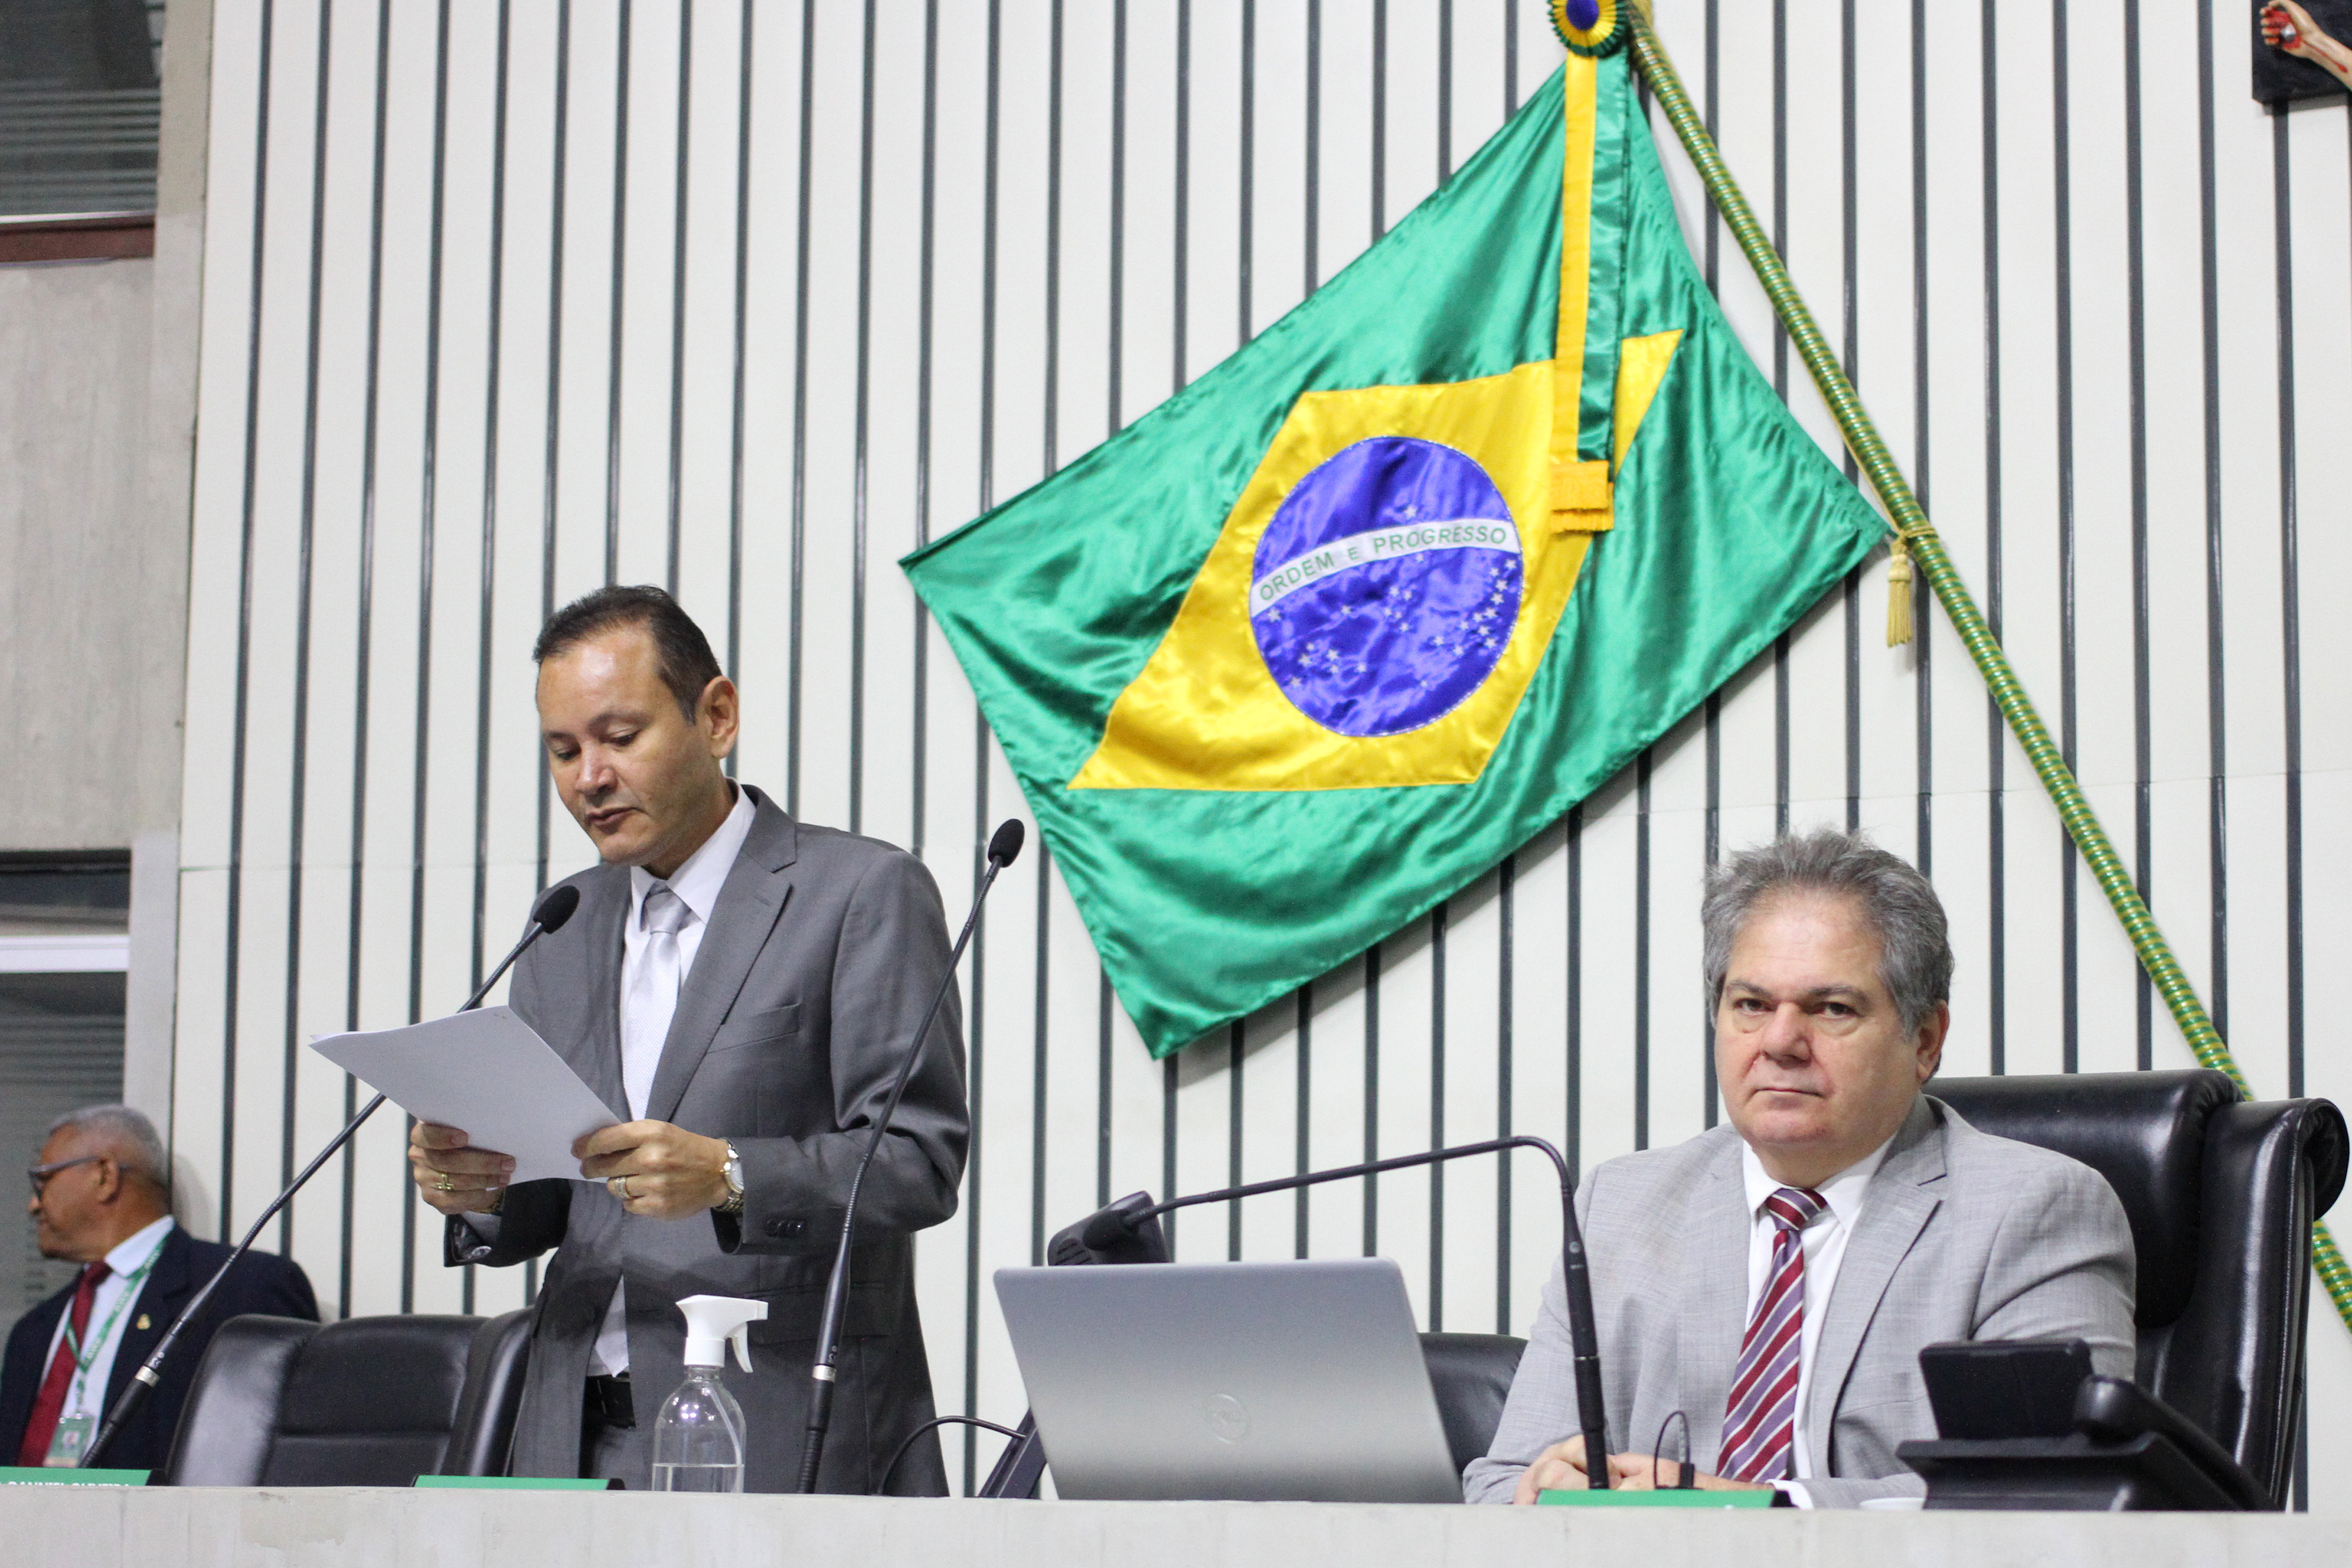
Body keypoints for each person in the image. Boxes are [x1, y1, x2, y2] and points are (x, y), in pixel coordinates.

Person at [406, 586, 970, 1494]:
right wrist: (480, 1188)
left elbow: (916, 1161)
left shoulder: (860, 892)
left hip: (776, 1419)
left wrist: (730, 1176)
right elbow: (561, 1198)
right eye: (564, 750)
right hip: (568, 1432)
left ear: (716, 717)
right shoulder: (564, 921)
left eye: (620, 737)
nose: (589, 777)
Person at [1465, 829, 2135, 1508]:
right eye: (1752, 1006)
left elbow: (2046, 1490)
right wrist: (1547, 1495)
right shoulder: (1622, 1206)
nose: (1781, 1042)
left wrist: (1754, 1510)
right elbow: (1501, 1480)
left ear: (1925, 1040)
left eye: (1832, 1009)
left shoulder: (2033, 1210)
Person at [1, 1106, 317, 1473]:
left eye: (43, 1182)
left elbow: (287, 1454)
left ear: (105, 1175)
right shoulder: (34, 1331)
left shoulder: (241, 1288)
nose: (34, 1205)